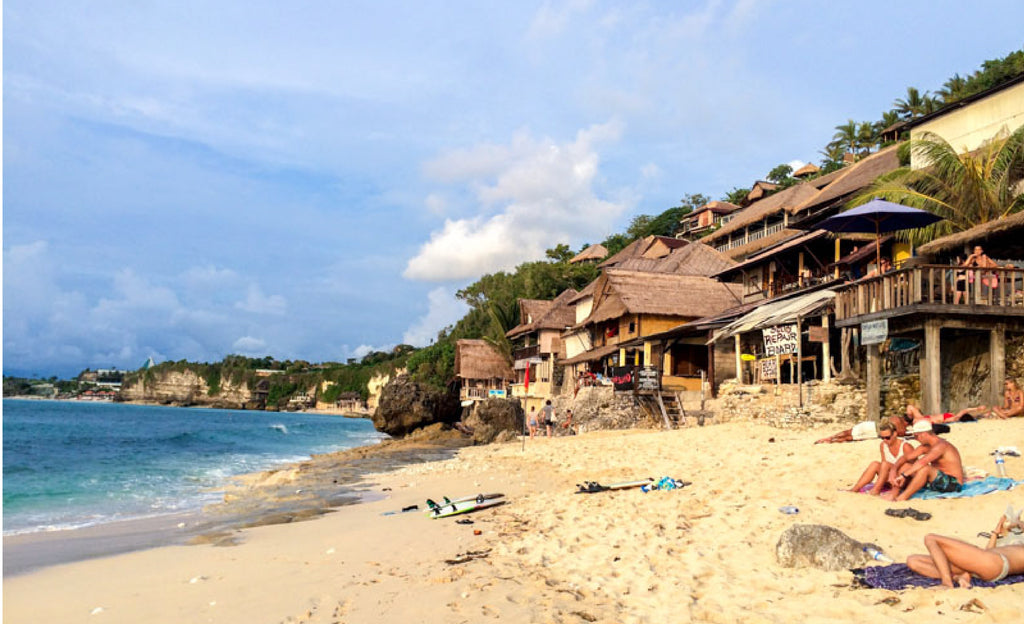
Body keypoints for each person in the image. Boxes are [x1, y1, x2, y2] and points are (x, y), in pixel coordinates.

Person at [906, 511, 1024, 588]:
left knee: (931, 538)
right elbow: (988, 552)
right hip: (988, 564)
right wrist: (995, 533)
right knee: (913, 561)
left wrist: (1017, 523)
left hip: (995, 563)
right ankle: (959, 577)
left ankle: (947, 582)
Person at [883, 421, 965, 502]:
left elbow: (923, 462)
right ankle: (894, 494)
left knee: (925, 469)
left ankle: (901, 498)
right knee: (905, 466)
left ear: (924, 434)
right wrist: (893, 470)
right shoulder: (925, 446)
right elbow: (905, 457)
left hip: (953, 484)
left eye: (916, 436)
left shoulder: (941, 446)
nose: (915, 439)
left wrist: (904, 475)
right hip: (935, 481)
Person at [849, 418, 915, 495]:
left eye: (887, 438)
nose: (885, 440)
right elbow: (883, 466)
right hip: (890, 478)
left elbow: (913, 467)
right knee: (875, 464)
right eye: (882, 438)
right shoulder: (883, 445)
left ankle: (876, 490)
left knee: (886, 464)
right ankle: (855, 489)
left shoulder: (906, 446)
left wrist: (895, 471)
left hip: (904, 480)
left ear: (895, 434)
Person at [815, 410, 911, 444]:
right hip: (873, 432)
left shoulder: (895, 417)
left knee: (849, 431)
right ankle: (831, 441)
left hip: (871, 424)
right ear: (907, 422)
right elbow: (900, 434)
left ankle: (830, 437)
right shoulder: (900, 424)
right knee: (850, 438)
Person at [905, 403, 988, 424]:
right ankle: (908, 419)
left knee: (910, 408)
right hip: (927, 418)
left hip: (927, 419)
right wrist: (981, 414)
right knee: (910, 407)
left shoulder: (954, 418)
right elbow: (965, 412)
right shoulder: (955, 417)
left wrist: (977, 408)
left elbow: (964, 411)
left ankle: (908, 420)